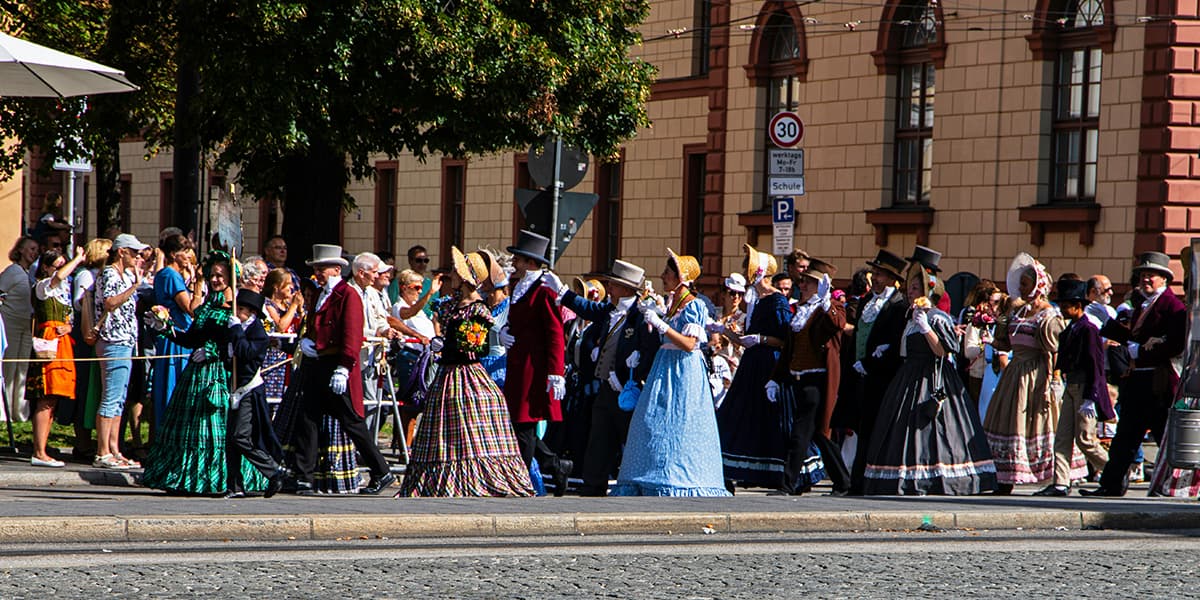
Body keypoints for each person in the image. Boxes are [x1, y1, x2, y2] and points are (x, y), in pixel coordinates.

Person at [396, 248, 534, 497]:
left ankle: (474, 478)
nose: (451, 274)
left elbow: (475, 347)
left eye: (455, 271)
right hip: (447, 375)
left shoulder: (478, 310)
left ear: (466, 277)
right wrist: (440, 340)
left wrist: (448, 343)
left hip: (466, 375)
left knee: (470, 430)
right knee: (441, 431)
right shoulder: (451, 305)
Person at [862, 262, 996, 495]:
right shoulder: (910, 317)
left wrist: (926, 328)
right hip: (909, 376)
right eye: (910, 288)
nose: (910, 291)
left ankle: (939, 478)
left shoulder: (936, 318)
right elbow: (904, 351)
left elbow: (945, 351)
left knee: (937, 427)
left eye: (915, 288)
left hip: (932, 376)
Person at [141, 252, 265, 494]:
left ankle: (221, 480)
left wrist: (213, 352)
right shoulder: (208, 305)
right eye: (212, 275)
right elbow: (191, 339)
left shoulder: (236, 307)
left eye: (220, 275)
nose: (215, 280)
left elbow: (237, 343)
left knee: (217, 429)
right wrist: (166, 329)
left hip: (221, 376)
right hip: (196, 374)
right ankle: (185, 477)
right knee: (189, 428)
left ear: (231, 277)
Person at [610, 250, 729, 496]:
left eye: (668, 272)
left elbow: (689, 344)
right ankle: (651, 474)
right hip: (665, 366)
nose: (663, 276)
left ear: (681, 277)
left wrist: (661, 324)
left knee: (679, 422)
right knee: (652, 420)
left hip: (684, 372)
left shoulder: (694, 305)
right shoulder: (674, 304)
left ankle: (678, 477)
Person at [548, 259, 660, 497]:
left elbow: (648, 349)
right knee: (598, 437)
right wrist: (563, 292)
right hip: (606, 387)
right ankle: (593, 486)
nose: (609, 288)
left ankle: (636, 483)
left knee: (628, 439)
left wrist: (633, 375)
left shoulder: (639, 315)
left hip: (627, 390)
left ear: (627, 289)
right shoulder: (611, 310)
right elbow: (587, 308)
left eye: (614, 284)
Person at [291, 244, 395, 495]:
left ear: (337, 269)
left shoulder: (347, 294)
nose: (317, 273)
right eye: (316, 269)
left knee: (352, 422)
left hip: (337, 364)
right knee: (309, 418)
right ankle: (304, 477)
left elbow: (351, 333)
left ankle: (382, 472)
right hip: (318, 362)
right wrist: (305, 340)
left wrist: (345, 367)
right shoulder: (320, 293)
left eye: (322, 268)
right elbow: (314, 324)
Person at [1083, 252, 1187, 497]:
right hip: (1139, 381)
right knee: (1126, 435)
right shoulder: (1143, 303)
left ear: (1164, 279)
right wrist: (1107, 325)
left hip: (1158, 382)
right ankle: (1112, 484)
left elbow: (1175, 345)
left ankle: (1177, 484)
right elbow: (1133, 339)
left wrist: (1141, 351)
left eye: (1151, 275)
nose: (1146, 280)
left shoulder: (1173, 307)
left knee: (1165, 436)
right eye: (1142, 275)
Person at [984, 253, 1084, 494]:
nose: (1020, 288)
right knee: (1006, 422)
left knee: (1035, 423)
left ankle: (1054, 477)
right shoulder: (1018, 312)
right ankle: (1004, 478)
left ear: (1038, 286)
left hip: (1035, 375)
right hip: (1014, 375)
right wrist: (991, 337)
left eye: (1025, 284)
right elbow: (1008, 344)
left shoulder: (1048, 315)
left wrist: (1051, 382)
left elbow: (1054, 352)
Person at [768, 258, 850, 495]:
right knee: (818, 435)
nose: (802, 285)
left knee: (801, 433)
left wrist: (826, 302)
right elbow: (790, 350)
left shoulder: (831, 307)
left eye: (808, 282)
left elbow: (838, 324)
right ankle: (843, 481)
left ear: (821, 285)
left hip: (818, 381)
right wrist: (776, 377)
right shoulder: (802, 309)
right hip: (798, 378)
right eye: (802, 281)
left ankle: (788, 485)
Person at [272, 278, 359, 494]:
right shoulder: (309, 319)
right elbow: (301, 343)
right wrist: (281, 343)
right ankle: (297, 475)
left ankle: (325, 476)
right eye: (307, 296)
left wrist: (341, 367)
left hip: (323, 375)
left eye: (312, 296)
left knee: (331, 426)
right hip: (303, 379)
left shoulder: (343, 299)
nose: (309, 300)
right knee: (301, 425)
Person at [501, 230, 572, 495]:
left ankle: (522, 479)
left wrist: (556, 372)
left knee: (524, 423)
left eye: (517, 259)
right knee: (521, 424)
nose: (514, 263)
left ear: (530, 262)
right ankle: (555, 464)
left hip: (534, 367)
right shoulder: (519, 287)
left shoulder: (543, 290)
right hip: (519, 365)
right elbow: (517, 321)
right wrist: (505, 331)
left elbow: (555, 333)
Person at [1034, 279, 1111, 496]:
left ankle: (1114, 472)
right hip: (1071, 386)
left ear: (1078, 306)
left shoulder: (1088, 329)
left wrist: (1091, 397)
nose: (1062, 309)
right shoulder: (1071, 329)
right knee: (1062, 437)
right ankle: (1060, 483)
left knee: (1085, 439)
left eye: (1066, 305)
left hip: (1085, 387)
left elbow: (1095, 365)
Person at [848, 249, 910, 495]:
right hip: (861, 375)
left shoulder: (898, 305)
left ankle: (868, 482)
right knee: (861, 429)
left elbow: (895, 345)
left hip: (883, 378)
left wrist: (872, 363)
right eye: (874, 273)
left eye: (880, 274)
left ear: (893, 279)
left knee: (876, 430)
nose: (875, 278)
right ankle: (857, 482)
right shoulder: (866, 301)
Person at [224, 289, 288, 498]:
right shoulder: (236, 329)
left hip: (249, 390)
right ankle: (234, 485)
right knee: (230, 440)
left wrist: (236, 333)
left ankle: (273, 471)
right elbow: (231, 358)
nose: (236, 312)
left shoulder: (257, 332)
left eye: (240, 309)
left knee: (240, 436)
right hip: (235, 386)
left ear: (251, 312)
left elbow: (246, 353)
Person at [92, 234, 148, 470]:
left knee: (119, 399)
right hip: (113, 340)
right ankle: (102, 451)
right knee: (111, 397)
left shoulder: (124, 274)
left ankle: (114, 448)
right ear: (121, 252)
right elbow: (110, 302)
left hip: (125, 340)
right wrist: (135, 286)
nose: (138, 256)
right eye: (134, 252)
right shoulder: (110, 273)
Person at [28, 247, 86, 467]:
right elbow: (58, 277)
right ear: (46, 267)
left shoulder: (62, 292)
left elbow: (67, 317)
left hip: (61, 343)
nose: (62, 270)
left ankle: (42, 448)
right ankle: (39, 451)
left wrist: (69, 327)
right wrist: (78, 259)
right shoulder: (43, 286)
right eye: (57, 265)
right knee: (45, 396)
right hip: (48, 343)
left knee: (54, 398)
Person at [65, 237, 112, 459]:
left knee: (93, 387)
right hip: (84, 334)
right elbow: (80, 302)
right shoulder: (86, 274)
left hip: (97, 332)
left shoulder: (106, 275)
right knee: (83, 386)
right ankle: (82, 441)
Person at [151, 234, 202, 430]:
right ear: (173, 254)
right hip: (177, 337)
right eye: (184, 251)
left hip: (173, 334)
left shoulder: (166, 274)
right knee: (174, 387)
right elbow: (191, 308)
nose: (189, 255)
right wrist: (198, 285)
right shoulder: (170, 275)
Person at [1, 236, 38, 422]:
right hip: (11, 324)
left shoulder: (29, 273)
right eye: (31, 249)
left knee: (22, 368)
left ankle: (19, 413)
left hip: (26, 324)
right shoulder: (12, 271)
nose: (34, 253)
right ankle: (4, 411)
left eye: (36, 250)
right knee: (9, 367)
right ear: (21, 250)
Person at [262, 268, 303, 401]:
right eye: (288, 283)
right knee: (273, 397)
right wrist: (293, 306)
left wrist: (300, 309)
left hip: (289, 356)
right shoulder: (267, 304)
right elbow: (281, 326)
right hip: (275, 357)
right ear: (276, 286)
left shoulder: (287, 305)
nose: (291, 287)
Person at [407, 245, 438, 317]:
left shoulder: (431, 284)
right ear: (410, 261)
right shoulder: (400, 282)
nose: (423, 264)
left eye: (426, 261)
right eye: (419, 260)